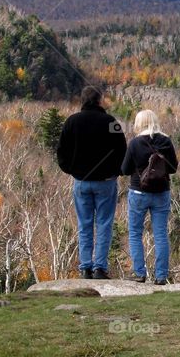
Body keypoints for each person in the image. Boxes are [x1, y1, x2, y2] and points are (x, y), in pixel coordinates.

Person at [56, 86, 127, 280]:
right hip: (106, 182)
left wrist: (71, 169)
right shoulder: (111, 122)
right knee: (104, 224)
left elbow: (62, 152)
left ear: (82, 100)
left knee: (84, 224)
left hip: (81, 181)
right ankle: (99, 268)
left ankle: (85, 267)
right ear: (99, 101)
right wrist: (117, 171)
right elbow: (122, 151)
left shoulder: (72, 122)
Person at [121, 109, 178, 285]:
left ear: (139, 123)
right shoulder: (166, 141)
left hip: (139, 192)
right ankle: (161, 276)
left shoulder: (135, 143)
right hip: (161, 192)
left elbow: (124, 169)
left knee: (135, 233)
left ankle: (139, 273)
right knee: (160, 234)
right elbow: (173, 168)